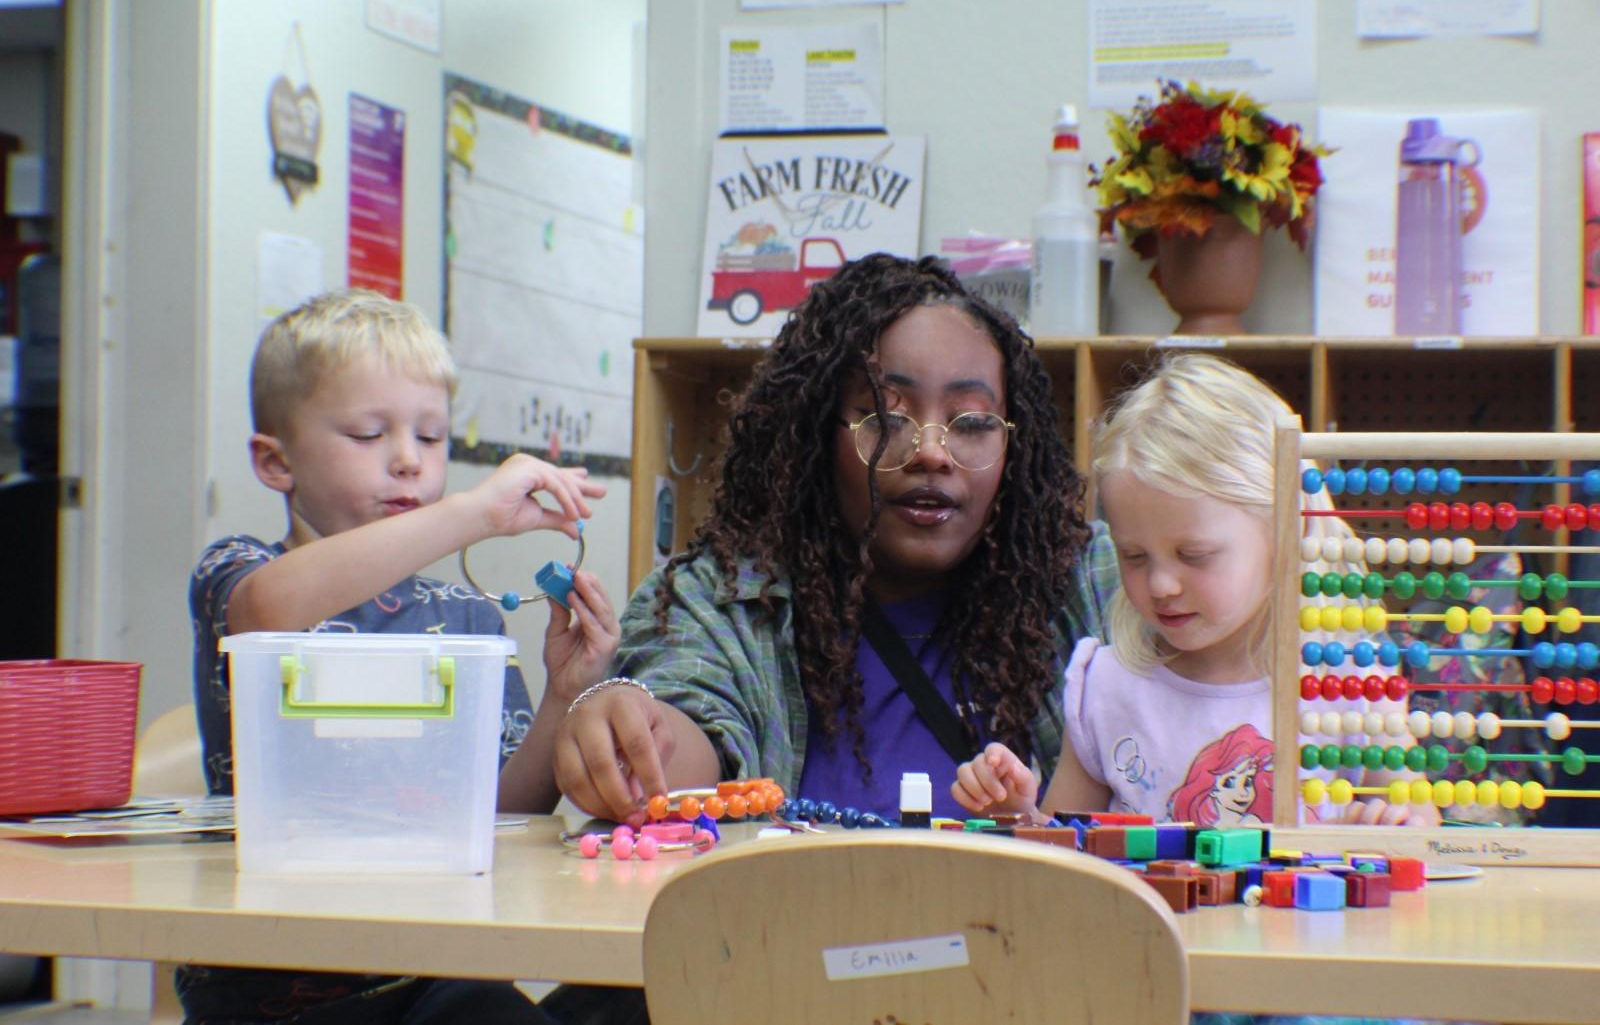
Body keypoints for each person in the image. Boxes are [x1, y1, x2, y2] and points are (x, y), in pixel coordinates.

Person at [551, 252, 1119, 825]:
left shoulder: (1090, 584)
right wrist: (633, 734)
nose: (930, 451)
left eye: (970, 423)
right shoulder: (723, 600)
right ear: (816, 436)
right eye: (885, 418)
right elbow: (688, 722)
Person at [183, 289, 618, 1024]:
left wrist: (562, 693)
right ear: (275, 461)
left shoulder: (466, 617)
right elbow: (265, 613)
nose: (409, 462)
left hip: (435, 971)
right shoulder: (240, 570)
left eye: (432, 436)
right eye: (367, 434)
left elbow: (501, 811)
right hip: (277, 987)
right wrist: (476, 512)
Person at [953, 352, 1438, 829]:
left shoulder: (1349, 682)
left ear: (1285, 534)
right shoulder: (1108, 686)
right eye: (1134, 556)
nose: (1161, 585)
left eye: (1195, 555)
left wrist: (1389, 827)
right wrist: (1015, 815)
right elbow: (1065, 854)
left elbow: (1421, 825)